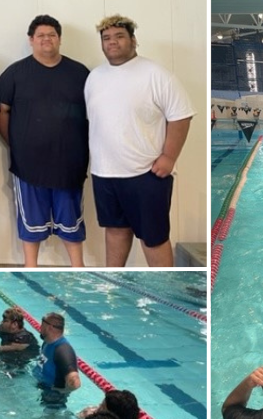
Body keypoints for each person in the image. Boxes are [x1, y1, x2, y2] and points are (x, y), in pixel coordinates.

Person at [85, 15, 195, 267]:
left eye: (119, 36)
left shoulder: (156, 74)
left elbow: (181, 115)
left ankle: (166, 293)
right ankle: (114, 286)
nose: (112, 42)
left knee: (154, 238)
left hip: (146, 173)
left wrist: (169, 157)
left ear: (133, 40)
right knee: (114, 231)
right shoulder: (95, 77)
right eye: (106, 38)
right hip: (105, 173)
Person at [0, 15, 89, 268]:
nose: (46, 39)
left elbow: (94, 114)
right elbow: (2, 112)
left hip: (70, 162)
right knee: (31, 222)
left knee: (71, 220)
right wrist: (15, 142)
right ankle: (31, 266)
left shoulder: (79, 72)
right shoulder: (15, 73)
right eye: (41, 35)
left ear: (59, 38)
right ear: (31, 40)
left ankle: (77, 268)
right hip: (29, 164)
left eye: (52, 35)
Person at [33, 313, 81, 406]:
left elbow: (75, 383)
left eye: (42, 325)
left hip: (53, 397)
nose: (40, 328)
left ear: (49, 327)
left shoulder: (63, 350)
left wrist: (58, 391)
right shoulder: (47, 342)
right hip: (43, 386)